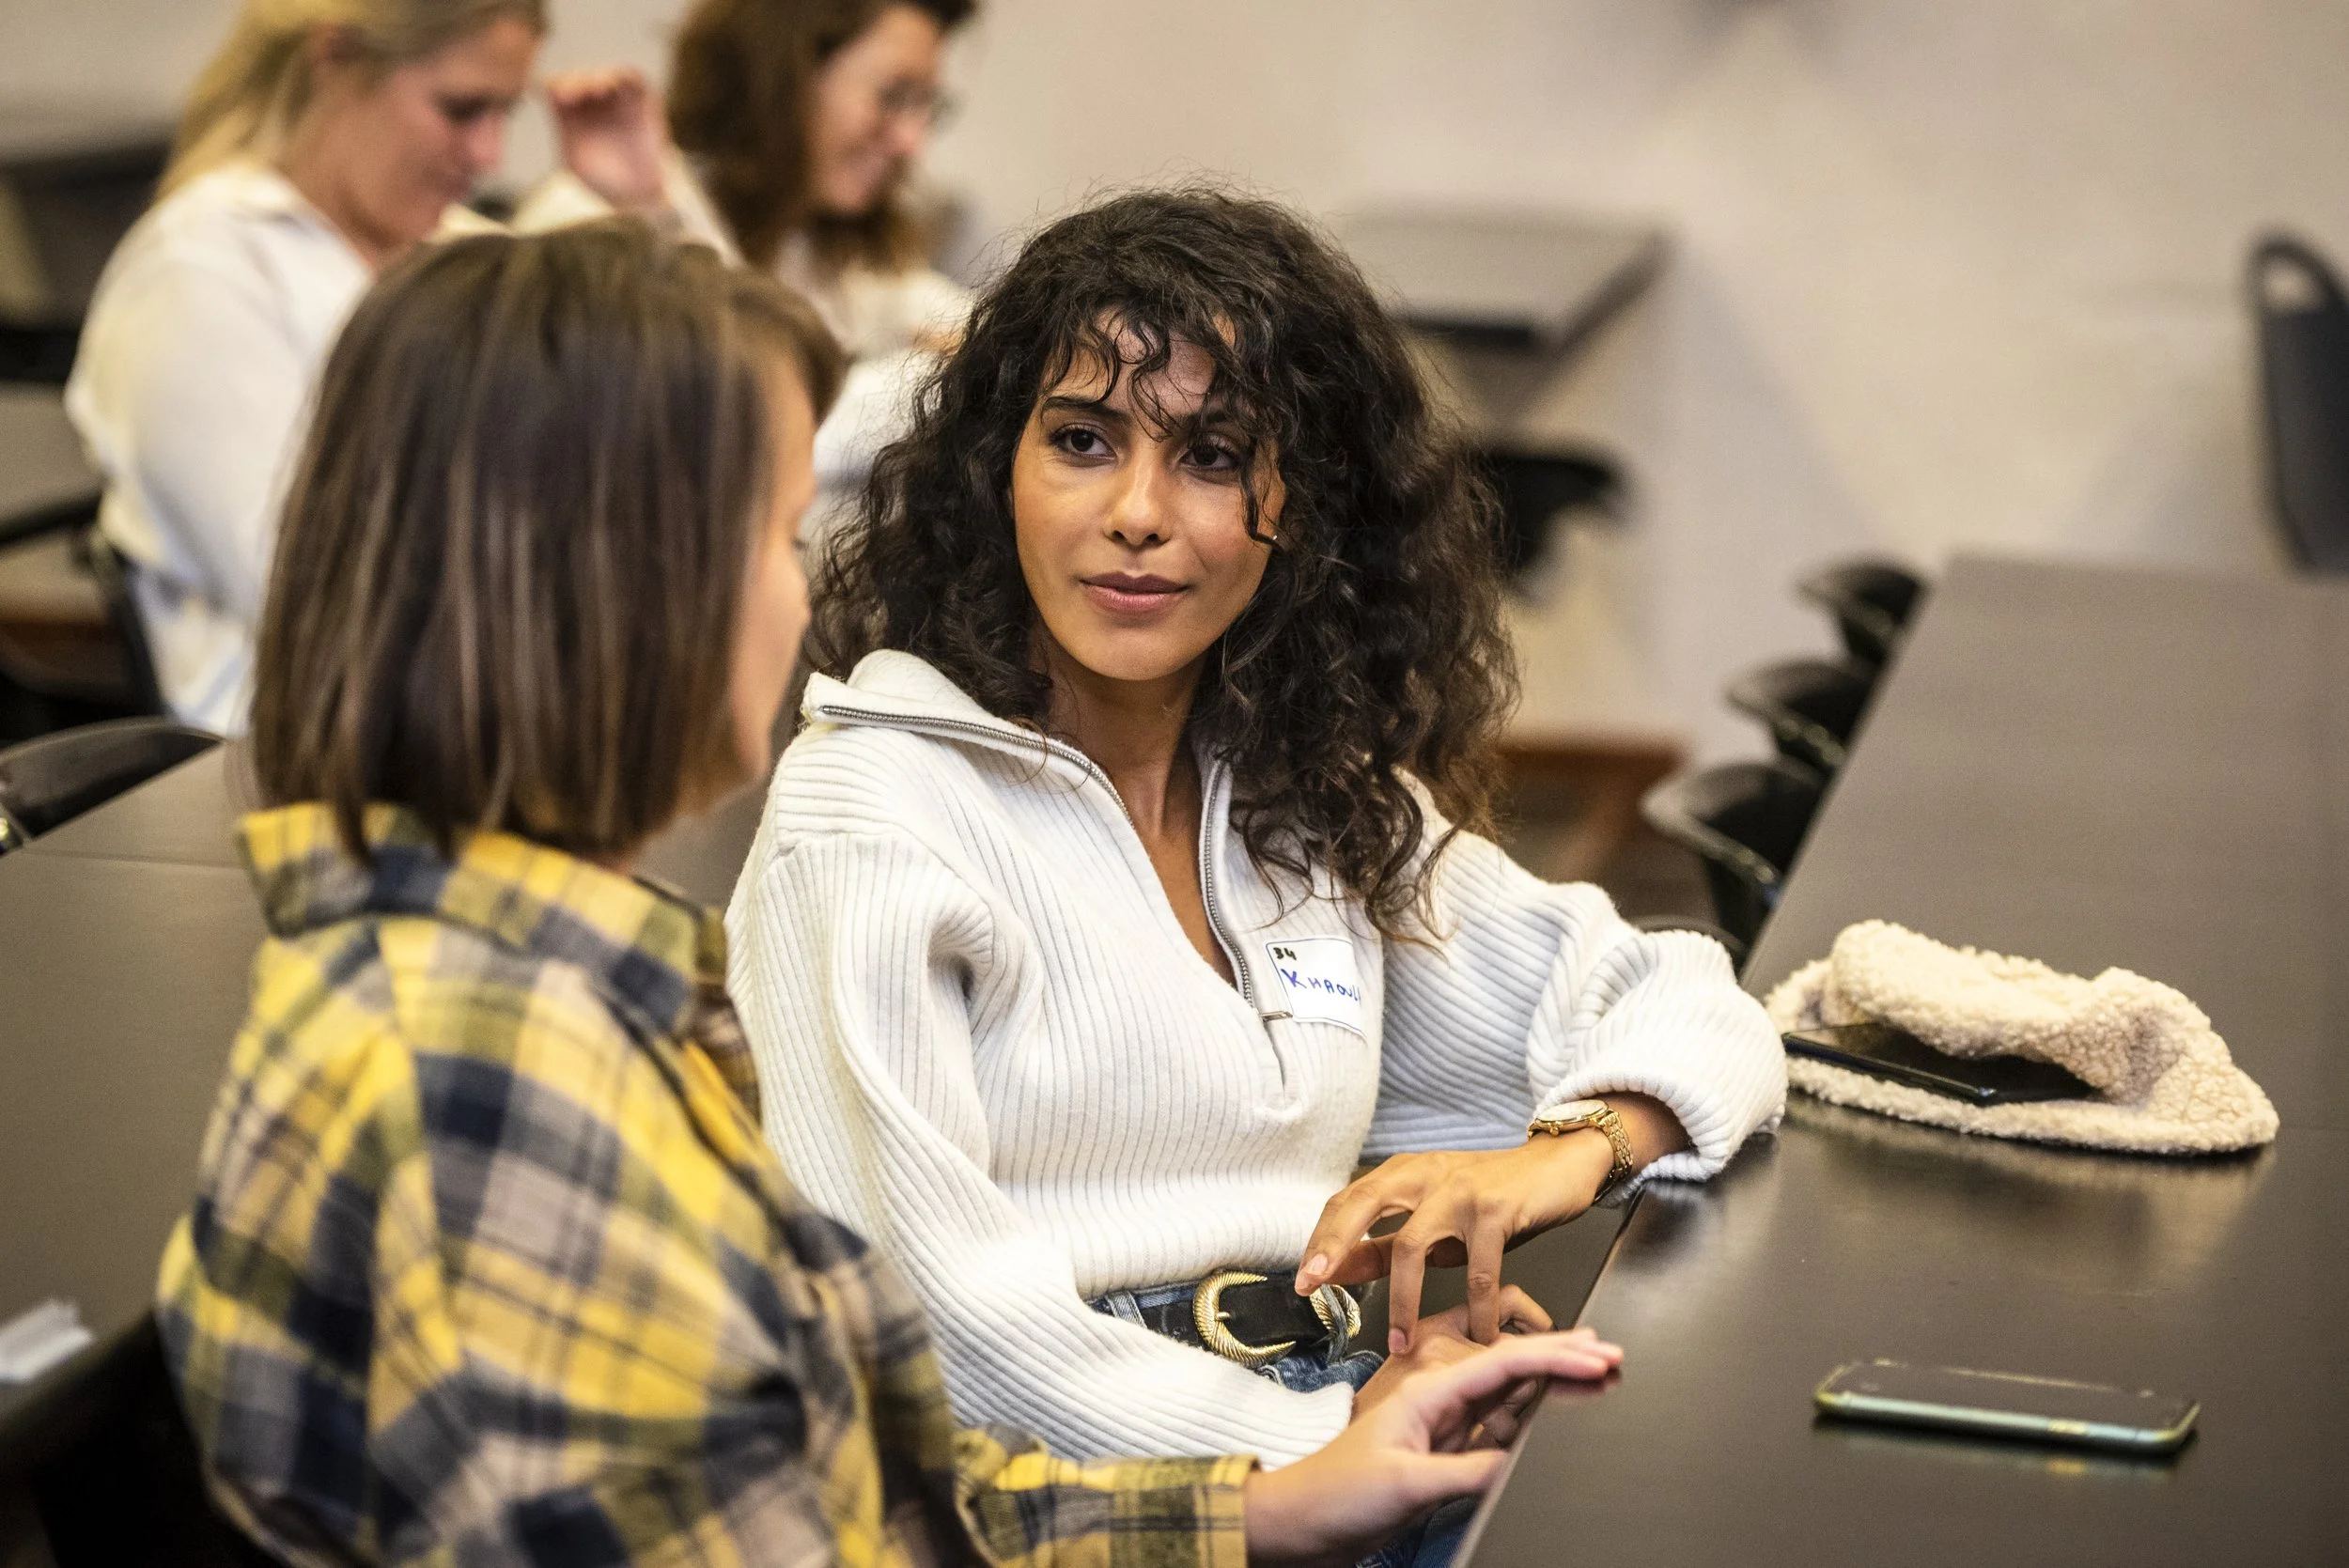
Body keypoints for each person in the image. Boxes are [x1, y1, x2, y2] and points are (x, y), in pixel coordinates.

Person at [156, 219, 1626, 1566]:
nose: (798, 594)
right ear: (610, 586)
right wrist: (1303, 1457)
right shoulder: (488, 1088)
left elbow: (878, 1492)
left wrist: (1267, 1504)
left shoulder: (548, 1004)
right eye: (767, 533)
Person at [726, 189, 1788, 1474]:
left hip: (1325, 1404)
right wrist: (1323, 1437)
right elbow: (932, 1334)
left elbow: (1689, 1001)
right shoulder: (873, 814)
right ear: (993, 471)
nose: (1137, 511)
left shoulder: (1306, 794)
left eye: (1214, 456)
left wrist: (1567, 1157)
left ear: (1308, 514)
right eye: (1080, 439)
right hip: (1082, 1507)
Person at [65, 0, 548, 733]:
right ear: (335, 62)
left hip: (491, 716)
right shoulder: (202, 271)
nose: (489, 155)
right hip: (305, 767)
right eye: (462, 109)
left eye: (504, 112)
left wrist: (648, 202)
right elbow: (316, 594)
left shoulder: (459, 249)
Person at [521, 0, 976, 506]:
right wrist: (929, 378)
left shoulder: (819, 244)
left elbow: (977, 322)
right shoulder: (592, 213)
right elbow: (729, 446)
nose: (912, 141)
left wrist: (982, 347)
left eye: (927, 106)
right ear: (781, 78)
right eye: (893, 97)